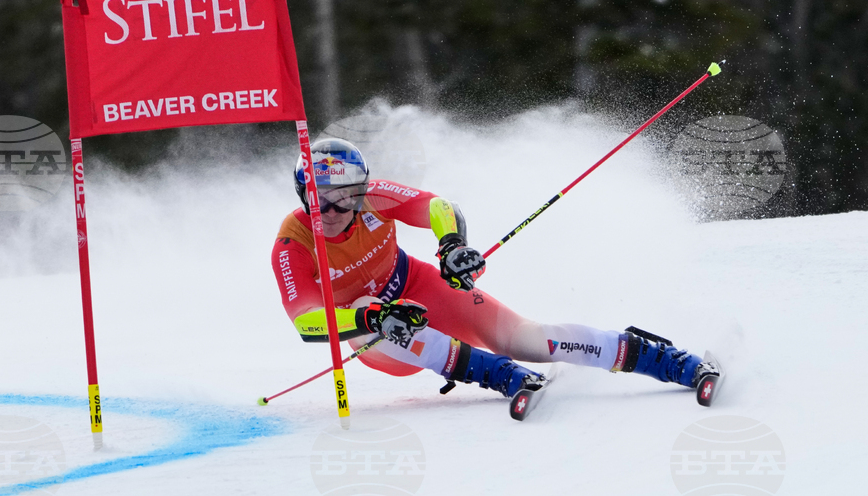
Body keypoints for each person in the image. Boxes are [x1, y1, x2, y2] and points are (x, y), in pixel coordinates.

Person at [271, 137, 717, 401]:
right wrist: (368, 317)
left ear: (361, 191)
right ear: (301, 194)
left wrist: (450, 247)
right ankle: (495, 373)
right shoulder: (294, 243)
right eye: (318, 197)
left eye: (345, 196)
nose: (331, 209)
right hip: (369, 332)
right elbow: (308, 325)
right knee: (377, 313)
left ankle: (656, 357)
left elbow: (436, 206)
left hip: (416, 284)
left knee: (526, 338)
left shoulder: (376, 198)